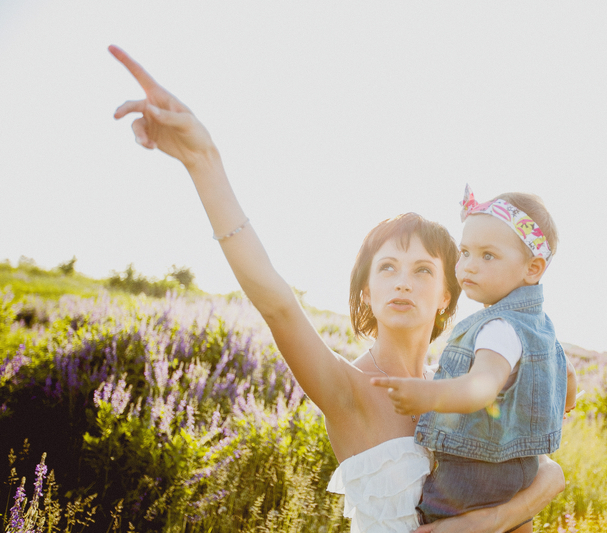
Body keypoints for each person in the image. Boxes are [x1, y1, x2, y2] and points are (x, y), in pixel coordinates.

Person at [109, 45, 565, 533]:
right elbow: (276, 303)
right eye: (386, 267)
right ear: (366, 291)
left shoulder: (461, 381)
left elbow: (543, 468)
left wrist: (503, 511)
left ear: (447, 294)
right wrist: (204, 161)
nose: (403, 282)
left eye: (422, 270)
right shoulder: (346, 389)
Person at [372, 185, 577, 527]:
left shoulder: (499, 328)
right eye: (465, 252)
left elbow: (481, 387)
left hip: (474, 478)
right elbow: (567, 375)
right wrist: (563, 407)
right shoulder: (540, 327)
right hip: (520, 471)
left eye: (488, 256)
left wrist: (428, 394)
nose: (469, 266)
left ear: (533, 268)